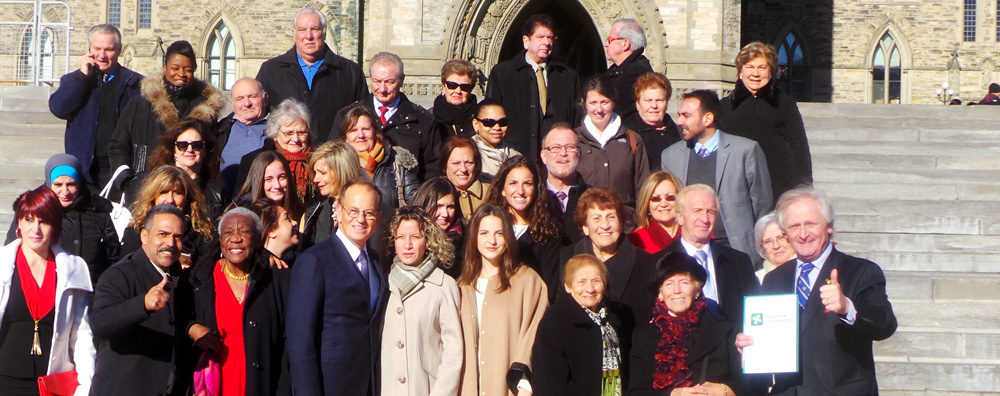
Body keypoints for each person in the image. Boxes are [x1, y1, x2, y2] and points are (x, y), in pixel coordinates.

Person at [736, 187, 898, 396]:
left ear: (829, 226)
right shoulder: (773, 279)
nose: (803, 234)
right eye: (794, 227)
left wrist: (847, 308)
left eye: (810, 224)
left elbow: (884, 325)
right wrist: (750, 344)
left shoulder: (861, 271)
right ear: (785, 233)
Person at [287, 178, 387, 396]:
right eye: (353, 210)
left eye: (369, 213)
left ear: (378, 219)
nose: (360, 219)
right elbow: (300, 341)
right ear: (338, 212)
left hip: (370, 386)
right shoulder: (315, 261)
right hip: (329, 387)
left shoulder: (376, 263)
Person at [91, 204, 196, 396]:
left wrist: (192, 328)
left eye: (177, 237)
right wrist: (142, 305)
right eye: (162, 234)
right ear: (144, 236)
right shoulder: (119, 274)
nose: (170, 243)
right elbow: (100, 324)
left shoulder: (179, 277)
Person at [0, 187, 96, 396]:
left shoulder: (72, 267)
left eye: (43, 221)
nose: (36, 229)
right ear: (18, 223)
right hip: (5, 379)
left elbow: (81, 334)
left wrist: (85, 386)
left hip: (52, 383)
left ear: (55, 226)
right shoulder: (2, 263)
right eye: (29, 219)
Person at [662, 90, 772, 266]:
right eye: (679, 115)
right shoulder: (670, 156)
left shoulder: (745, 150)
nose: (679, 121)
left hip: (736, 249)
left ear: (707, 119)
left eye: (686, 115)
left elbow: (762, 204)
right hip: (690, 249)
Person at [188, 208, 291, 396]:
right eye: (228, 232)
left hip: (261, 381)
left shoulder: (276, 278)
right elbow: (182, 317)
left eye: (244, 231)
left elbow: (288, 343)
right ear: (220, 240)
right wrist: (193, 328)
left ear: (259, 239)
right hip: (216, 380)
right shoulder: (202, 278)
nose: (235, 238)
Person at [628, 251, 750, 396]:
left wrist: (724, 390)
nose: (677, 291)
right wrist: (672, 394)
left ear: (697, 290)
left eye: (684, 282)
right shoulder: (643, 336)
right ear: (660, 294)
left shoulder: (725, 330)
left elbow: (749, 385)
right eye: (669, 284)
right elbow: (635, 391)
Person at [457, 204, 548, 396]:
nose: (492, 240)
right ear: (474, 237)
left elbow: (535, 335)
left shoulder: (528, 282)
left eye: (499, 233)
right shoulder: (460, 287)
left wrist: (524, 385)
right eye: (484, 233)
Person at [110, 40, 225, 179]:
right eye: (175, 68)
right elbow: (118, 146)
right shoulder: (140, 104)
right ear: (165, 67)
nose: (181, 73)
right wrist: (125, 180)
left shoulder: (207, 109)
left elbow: (211, 153)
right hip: (144, 184)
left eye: (187, 69)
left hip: (190, 187)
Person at [49, 24, 143, 193]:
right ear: (89, 49)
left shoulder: (135, 84)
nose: (102, 55)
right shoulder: (74, 80)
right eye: (97, 48)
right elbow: (58, 108)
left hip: (120, 169)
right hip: (84, 170)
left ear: (119, 50)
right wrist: (82, 77)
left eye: (109, 49)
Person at [381, 206, 463, 396]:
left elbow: (453, 352)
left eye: (415, 237)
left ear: (427, 240)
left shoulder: (443, 285)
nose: (407, 245)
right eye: (401, 237)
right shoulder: (384, 283)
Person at [653, 184, 759, 330]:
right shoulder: (657, 263)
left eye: (711, 212)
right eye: (697, 211)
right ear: (680, 217)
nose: (705, 218)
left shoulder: (739, 262)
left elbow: (755, 314)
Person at [256, 8, 367, 144]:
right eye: (302, 30)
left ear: (324, 33)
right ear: (294, 34)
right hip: (285, 160)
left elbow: (364, 117)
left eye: (315, 29)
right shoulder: (270, 71)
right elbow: (256, 114)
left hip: (334, 159)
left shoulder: (350, 72)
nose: (309, 36)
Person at [719, 41, 812, 201]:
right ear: (740, 72)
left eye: (762, 68)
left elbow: (798, 144)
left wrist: (803, 185)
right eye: (750, 67)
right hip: (735, 186)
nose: (756, 73)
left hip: (778, 184)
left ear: (772, 72)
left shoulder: (785, 104)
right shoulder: (724, 106)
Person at [330, 52, 444, 181]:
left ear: (401, 81)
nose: (382, 89)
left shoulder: (423, 121)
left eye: (389, 82)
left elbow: (432, 171)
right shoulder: (346, 116)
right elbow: (332, 161)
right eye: (377, 81)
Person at [5, 154, 119, 282]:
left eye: (71, 184)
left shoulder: (97, 212)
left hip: (91, 292)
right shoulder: (32, 210)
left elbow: (114, 258)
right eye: (58, 185)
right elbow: (11, 250)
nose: (65, 192)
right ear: (49, 184)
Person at [531, 254, 627, 396]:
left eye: (596, 281)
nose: (590, 289)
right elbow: (549, 382)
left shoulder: (612, 319)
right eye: (581, 282)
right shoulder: (555, 321)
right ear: (568, 287)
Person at [486, 14, 580, 156]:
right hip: (516, 155)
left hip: (557, 157)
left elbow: (577, 118)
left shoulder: (567, 76)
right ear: (526, 40)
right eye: (540, 37)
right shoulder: (503, 73)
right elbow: (491, 115)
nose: (546, 42)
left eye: (550, 37)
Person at [560, 187, 652, 320]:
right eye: (596, 219)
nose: (605, 225)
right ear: (585, 227)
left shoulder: (644, 263)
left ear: (621, 224)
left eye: (611, 217)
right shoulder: (567, 257)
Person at [338, 104, 419, 253]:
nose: (360, 135)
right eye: (354, 130)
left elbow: (415, 204)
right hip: (351, 245)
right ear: (345, 137)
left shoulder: (398, 161)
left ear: (375, 132)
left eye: (366, 129)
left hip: (391, 246)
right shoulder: (338, 168)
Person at [576, 75, 650, 231]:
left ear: (614, 103)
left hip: (626, 227)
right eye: (593, 103)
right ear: (585, 104)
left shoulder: (632, 140)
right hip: (585, 228)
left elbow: (642, 188)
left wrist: (639, 223)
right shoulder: (574, 141)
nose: (599, 109)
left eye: (605, 102)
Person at [484, 156, 561, 304]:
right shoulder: (485, 226)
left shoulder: (548, 233)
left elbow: (547, 288)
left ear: (536, 188)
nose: (520, 191)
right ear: (502, 190)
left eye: (527, 184)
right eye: (513, 183)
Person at [121, 165, 218, 270]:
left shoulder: (204, 235)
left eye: (177, 193)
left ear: (187, 198)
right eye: (163, 192)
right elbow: (124, 274)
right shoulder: (134, 233)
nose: (170, 200)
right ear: (153, 197)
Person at [237, 98, 318, 207]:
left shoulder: (319, 161)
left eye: (301, 132)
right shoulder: (253, 160)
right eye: (289, 133)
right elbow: (243, 202)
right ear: (275, 134)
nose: (296, 139)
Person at [145, 118, 227, 218]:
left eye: (197, 145)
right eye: (182, 145)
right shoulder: (154, 183)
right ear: (173, 150)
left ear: (206, 150)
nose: (190, 150)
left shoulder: (217, 190)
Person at [299, 141, 364, 250]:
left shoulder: (370, 211)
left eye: (323, 173)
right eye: (315, 173)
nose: (315, 179)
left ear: (343, 172)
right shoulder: (314, 214)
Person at [219, 78, 269, 194]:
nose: (247, 103)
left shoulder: (280, 129)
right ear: (232, 104)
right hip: (226, 205)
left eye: (252, 97)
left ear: (265, 98)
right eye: (240, 99)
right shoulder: (220, 130)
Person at [540, 124, 588, 244]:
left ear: (579, 154)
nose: (563, 153)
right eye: (555, 148)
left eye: (570, 147)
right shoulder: (532, 198)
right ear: (543, 156)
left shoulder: (592, 198)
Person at [410, 177, 465, 278]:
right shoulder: (405, 236)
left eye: (450, 207)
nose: (445, 214)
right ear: (424, 204)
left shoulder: (465, 240)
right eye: (438, 206)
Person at [624, 72, 680, 171]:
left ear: (666, 103)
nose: (654, 106)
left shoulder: (679, 132)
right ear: (638, 104)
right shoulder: (627, 134)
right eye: (648, 100)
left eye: (659, 100)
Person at [603, 18, 653, 120]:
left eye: (610, 40)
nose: (606, 44)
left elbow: (611, 111)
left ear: (625, 44)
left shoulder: (637, 75)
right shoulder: (617, 70)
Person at [232, 151, 301, 220]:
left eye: (282, 177)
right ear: (258, 182)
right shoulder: (240, 214)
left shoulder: (300, 212)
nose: (277, 186)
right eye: (268, 179)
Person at [628, 170, 683, 254]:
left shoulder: (695, 234)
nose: (664, 204)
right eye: (656, 199)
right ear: (647, 204)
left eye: (670, 197)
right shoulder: (635, 240)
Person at [472, 99, 522, 181]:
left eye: (502, 122)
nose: (497, 128)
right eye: (489, 122)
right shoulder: (467, 154)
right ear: (476, 124)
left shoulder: (516, 156)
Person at [441, 136, 489, 220]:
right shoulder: (433, 193)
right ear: (445, 166)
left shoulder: (491, 192)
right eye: (456, 163)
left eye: (469, 163)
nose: (463, 169)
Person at [432, 59, 479, 136]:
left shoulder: (481, 118)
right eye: (452, 85)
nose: (458, 91)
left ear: (471, 89)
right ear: (444, 86)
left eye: (465, 87)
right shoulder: (430, 118)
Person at [249, 199, 300, 269]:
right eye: (287, 218)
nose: (295, 223)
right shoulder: (260, 270)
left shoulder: (295, 261)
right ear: (271, 231)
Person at [753, 212, 795, 283]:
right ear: (762, 248)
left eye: (781, 238)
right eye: (768, 241)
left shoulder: (807, 272)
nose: (776, 246)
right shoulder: (757, 279)